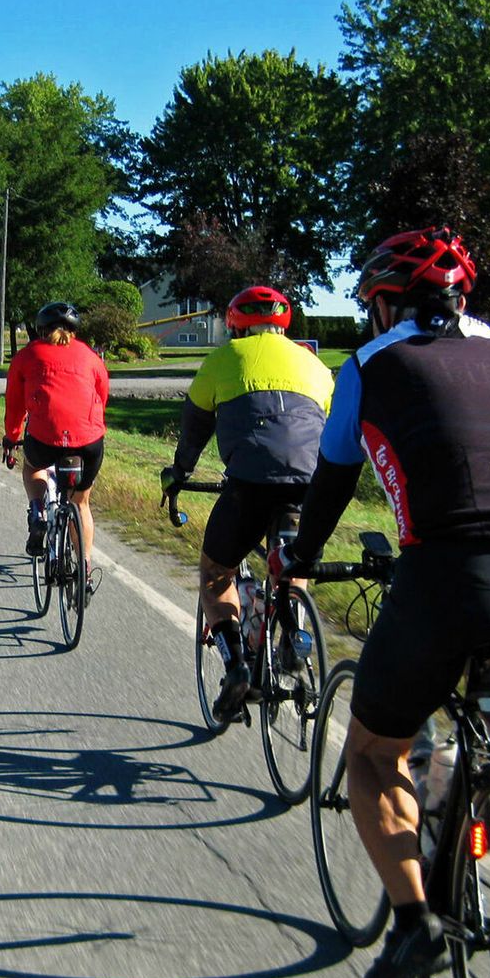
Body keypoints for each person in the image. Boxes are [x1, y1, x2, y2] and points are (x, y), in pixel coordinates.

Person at [276, 226, 490, 978]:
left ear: (385, 304)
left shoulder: (372, 362)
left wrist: (298, 558)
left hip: (452, 573)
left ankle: (414, 925)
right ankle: (486, 800)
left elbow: (334, 478)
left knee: (373, 755)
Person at [160, 285, 334, 724]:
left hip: (250, 485)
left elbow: (195, 428)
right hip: (309, 485)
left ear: (235, 325)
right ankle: (293, 632)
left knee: (216, 573)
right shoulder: (313, 365)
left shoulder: (222, 359)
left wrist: (179, 472)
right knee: (290, 561)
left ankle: (237, 663)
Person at [2, 301, 110, 584]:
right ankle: (85, 570)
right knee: (81, 503)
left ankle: (38, 510)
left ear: (41, 330)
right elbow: (102, 396)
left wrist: (12, 437)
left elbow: (14, 404)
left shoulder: (27, 356)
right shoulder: (90, 356)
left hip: (44, 438)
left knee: (33, 468)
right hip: (89, 441)